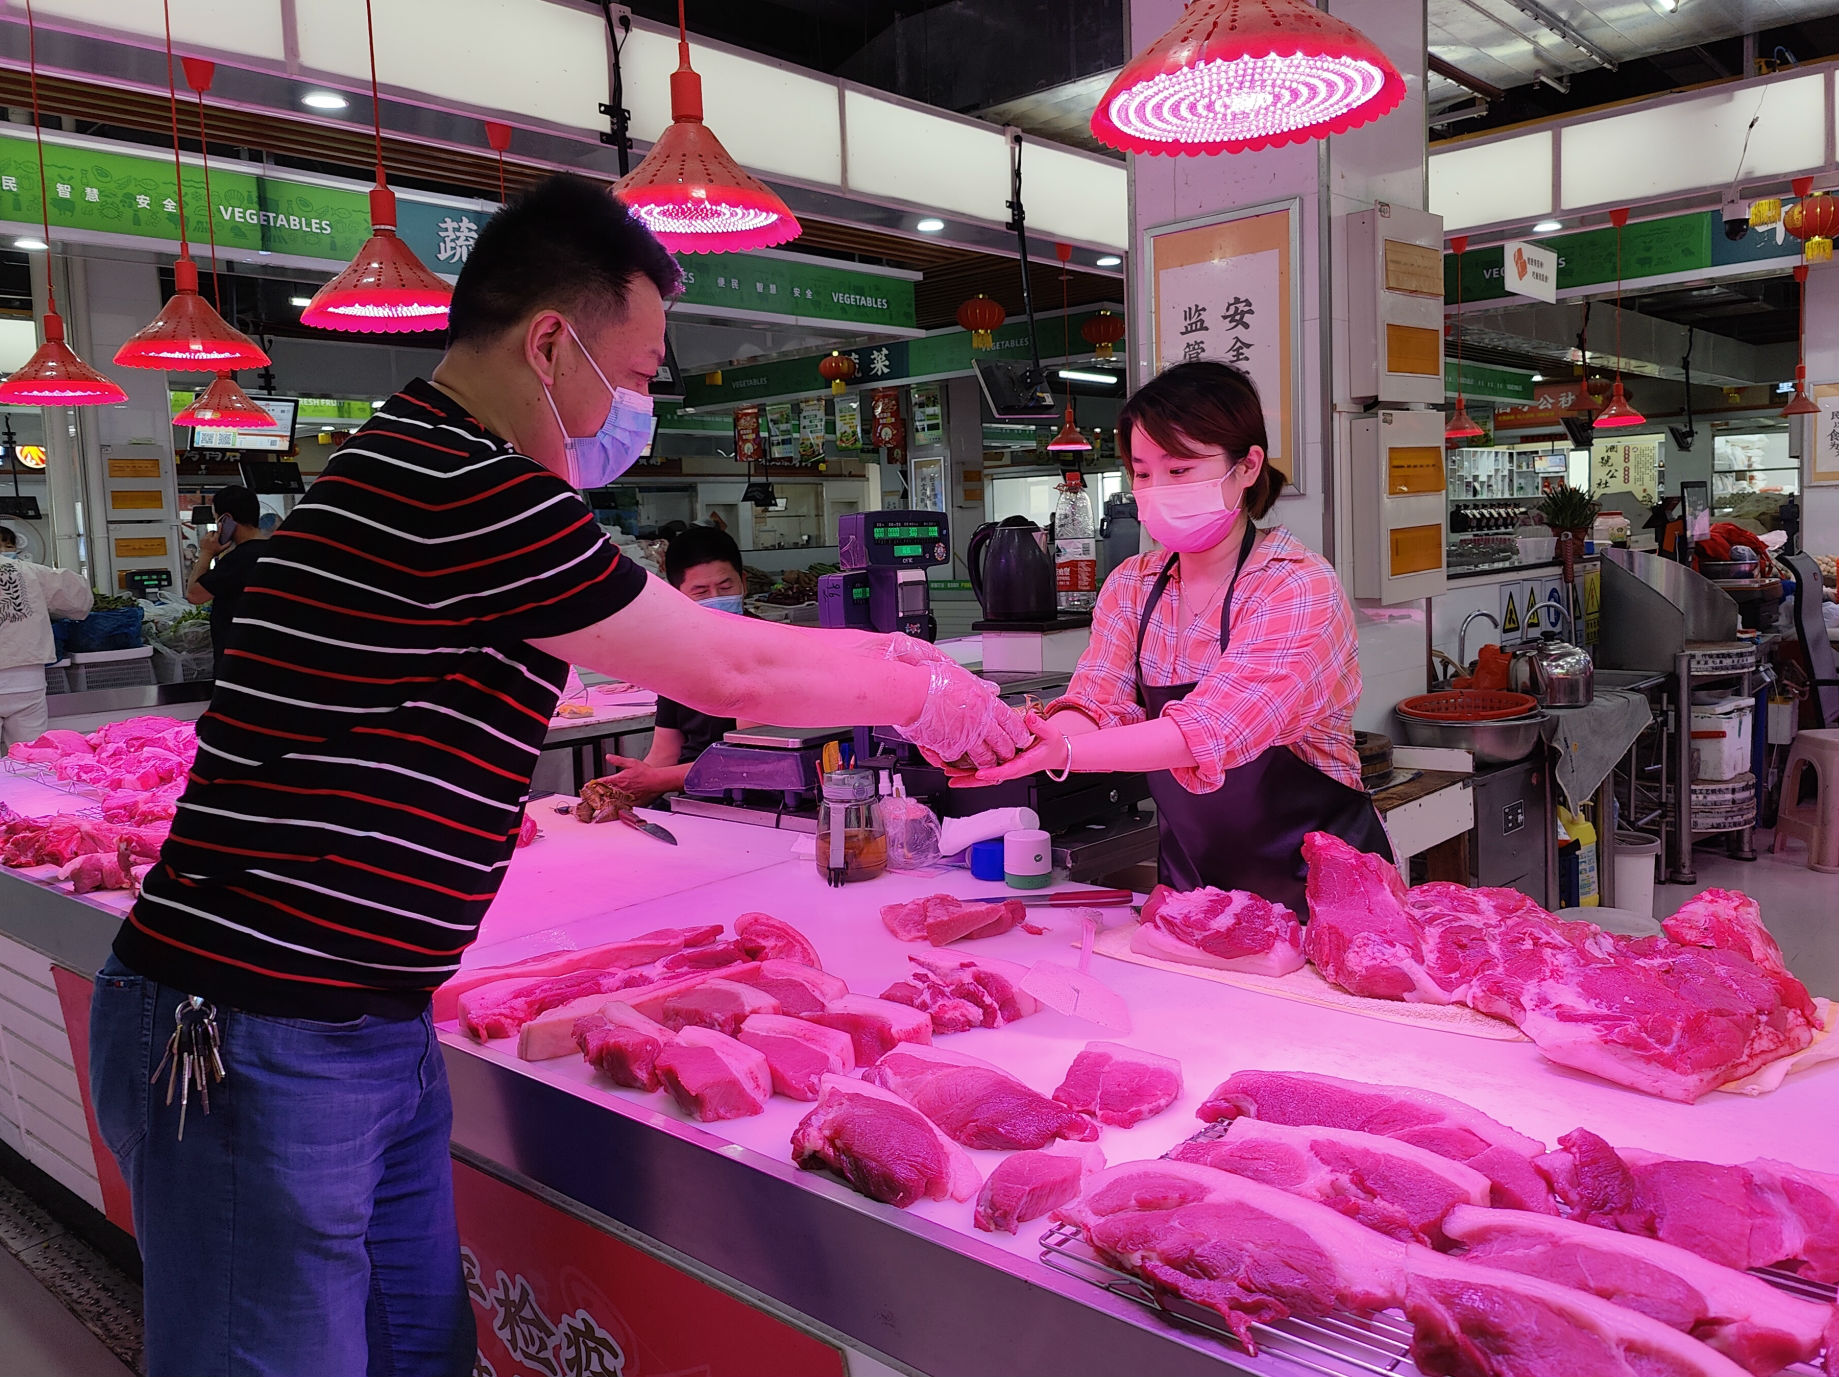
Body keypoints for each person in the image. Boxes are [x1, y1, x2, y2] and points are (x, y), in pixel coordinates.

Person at [88, 173, 1028, 1377]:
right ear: (548, 346)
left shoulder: (439, 462)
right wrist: (923, 688)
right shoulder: (460, 485)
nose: (640, 407)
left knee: (417, 1353)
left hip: (366, 1018)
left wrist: (907, 670)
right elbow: (731, 665)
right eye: (634, 375)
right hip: (255, 1025)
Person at [959, 361, 1390, 910]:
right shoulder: (1133, 585)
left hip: (1327, 894)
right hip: (1197, 893)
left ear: (1247, 466)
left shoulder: (1296, 585)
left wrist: (1059, 751)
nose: (1157, 490)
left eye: (1180, 470)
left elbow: (1210, 729)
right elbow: (1097, 705)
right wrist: (1018, 742)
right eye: (1142, 474)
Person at [596, 523, 750, 804]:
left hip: (746, 802)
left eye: (725, 587)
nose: (716, 598)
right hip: (691, 800)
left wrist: (655, 781)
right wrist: (619, 793)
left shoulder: (762, 650)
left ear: (744, 582)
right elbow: (664, 754)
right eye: (701, 591)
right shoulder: (676, 657)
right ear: (677, 595)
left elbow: (749, 760)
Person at [0, 525, 90, 746]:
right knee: (29, 755)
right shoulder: (31, 571)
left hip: (26, 678)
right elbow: (79, 599)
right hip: (26, 680)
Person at [183, 483, 272, 679]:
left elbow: (194, 595)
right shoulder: (276, 551)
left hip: (240, 665)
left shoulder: (239, 559)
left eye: (217, 519)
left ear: (227, 519)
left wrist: (206, 552)